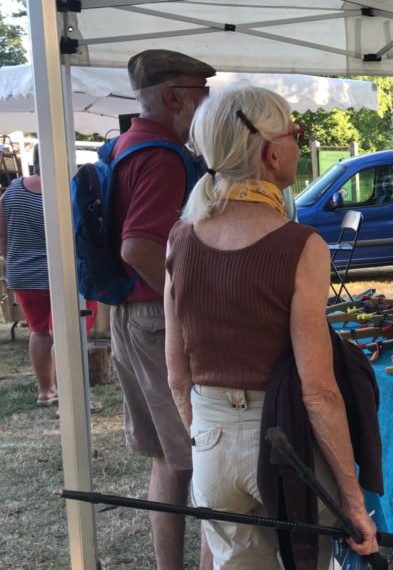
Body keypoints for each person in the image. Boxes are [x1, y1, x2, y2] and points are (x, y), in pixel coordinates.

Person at [165, 85, 378, 568]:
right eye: (296, 134)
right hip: (288, 441)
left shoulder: (179, 239)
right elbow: (318, 391)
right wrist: (353, 498)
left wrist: (205, 438)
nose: (299, 145)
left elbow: (177, 375)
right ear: (270, 150)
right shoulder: (301, 245)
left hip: (212, 435)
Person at [109, 49, 215, 569]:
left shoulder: (127, 144)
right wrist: (185, 308)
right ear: (174, 97)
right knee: (202, 457)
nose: (206, 102)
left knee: (169, 461)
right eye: (202, 92)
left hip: (130, 317)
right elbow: (138, 246)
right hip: (155, 316)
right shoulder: (163, 155)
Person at [0, 150, 96, 405]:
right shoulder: (67, 191)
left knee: (39, 331)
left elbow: (2, 234)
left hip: (22, 272)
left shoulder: (12, 190)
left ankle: (46, 392)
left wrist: (12, 260)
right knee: (67, 333)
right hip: (62, 271)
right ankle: (73, 394)